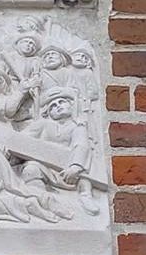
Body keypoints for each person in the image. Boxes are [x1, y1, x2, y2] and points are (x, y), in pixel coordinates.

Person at [22, 87, 99, 216]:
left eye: (61, 102)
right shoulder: (42, 124)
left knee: (85, 178)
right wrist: (6, 146)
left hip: (69, 172)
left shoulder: (77, 127)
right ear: (48, 113)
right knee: (31, 169)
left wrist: (75, 167)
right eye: (53, 106)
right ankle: (41, 199)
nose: (58, 106)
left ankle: (85, 196)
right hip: (46, 167)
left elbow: (81, 146)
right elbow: (22, 138)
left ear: (70, 106)